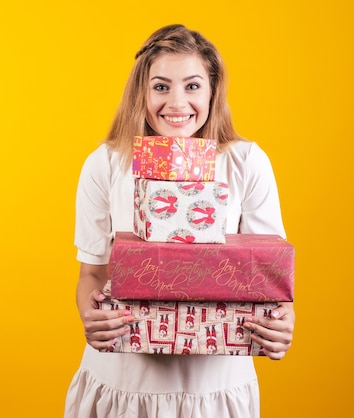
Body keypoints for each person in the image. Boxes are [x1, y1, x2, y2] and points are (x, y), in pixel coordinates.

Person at [65, 24, 295, 418]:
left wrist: (283, 320)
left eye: (192, 86)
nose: (176, 102)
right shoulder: (105, 164)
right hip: (124, 383)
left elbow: (268, 279)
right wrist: (90, 314)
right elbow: (92, 272)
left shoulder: (246, 162)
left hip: (216, 388)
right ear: (141, 91)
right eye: (160, 86)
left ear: (212, 90)